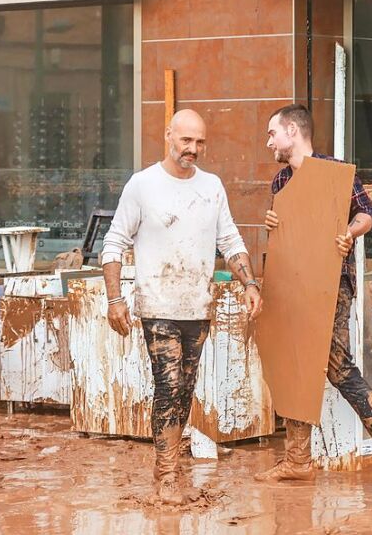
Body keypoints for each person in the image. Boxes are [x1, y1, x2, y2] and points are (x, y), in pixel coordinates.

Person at [100, 109, 263, 504]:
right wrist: (115, 298)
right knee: (168, 386)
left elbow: (231, 240)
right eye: (186, 140)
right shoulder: (143, 185)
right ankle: (167, 473)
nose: (193, 149)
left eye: (200, 142)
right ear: (168, 136)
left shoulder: (212, 186)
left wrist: (250, 283)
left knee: (185, 389)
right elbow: (114, 242)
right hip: (157, 305)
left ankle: (171, 464)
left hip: (198, 306)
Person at [254, 103, 372, 489]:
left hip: (329, 283)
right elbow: (287, 233)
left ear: (293, 131)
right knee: (294, 361)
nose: (269, 140)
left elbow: (367, 213)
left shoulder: (334, 173)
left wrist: (350, 232)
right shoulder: (279, 182)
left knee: (337, 366)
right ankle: (297, 458)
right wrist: (273, 221)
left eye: (273, 132)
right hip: (291, 284)